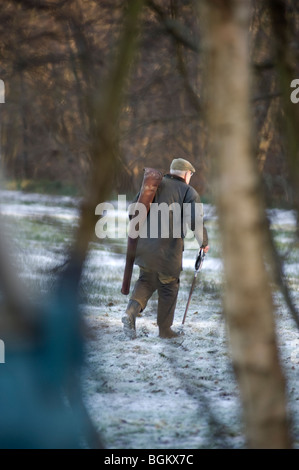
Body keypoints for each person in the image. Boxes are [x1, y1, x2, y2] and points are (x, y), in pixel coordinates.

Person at [122, 158, 209, 339]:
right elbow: (196, 221)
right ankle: (165, 330)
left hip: (144, 246)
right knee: (169, 286)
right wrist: (204, 242)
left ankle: (130, 312)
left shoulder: (153, 185)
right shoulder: (188, 192)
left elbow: (133, 211)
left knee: (146, 281)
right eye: (190, 175)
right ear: (186, 174)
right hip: (168, 250)